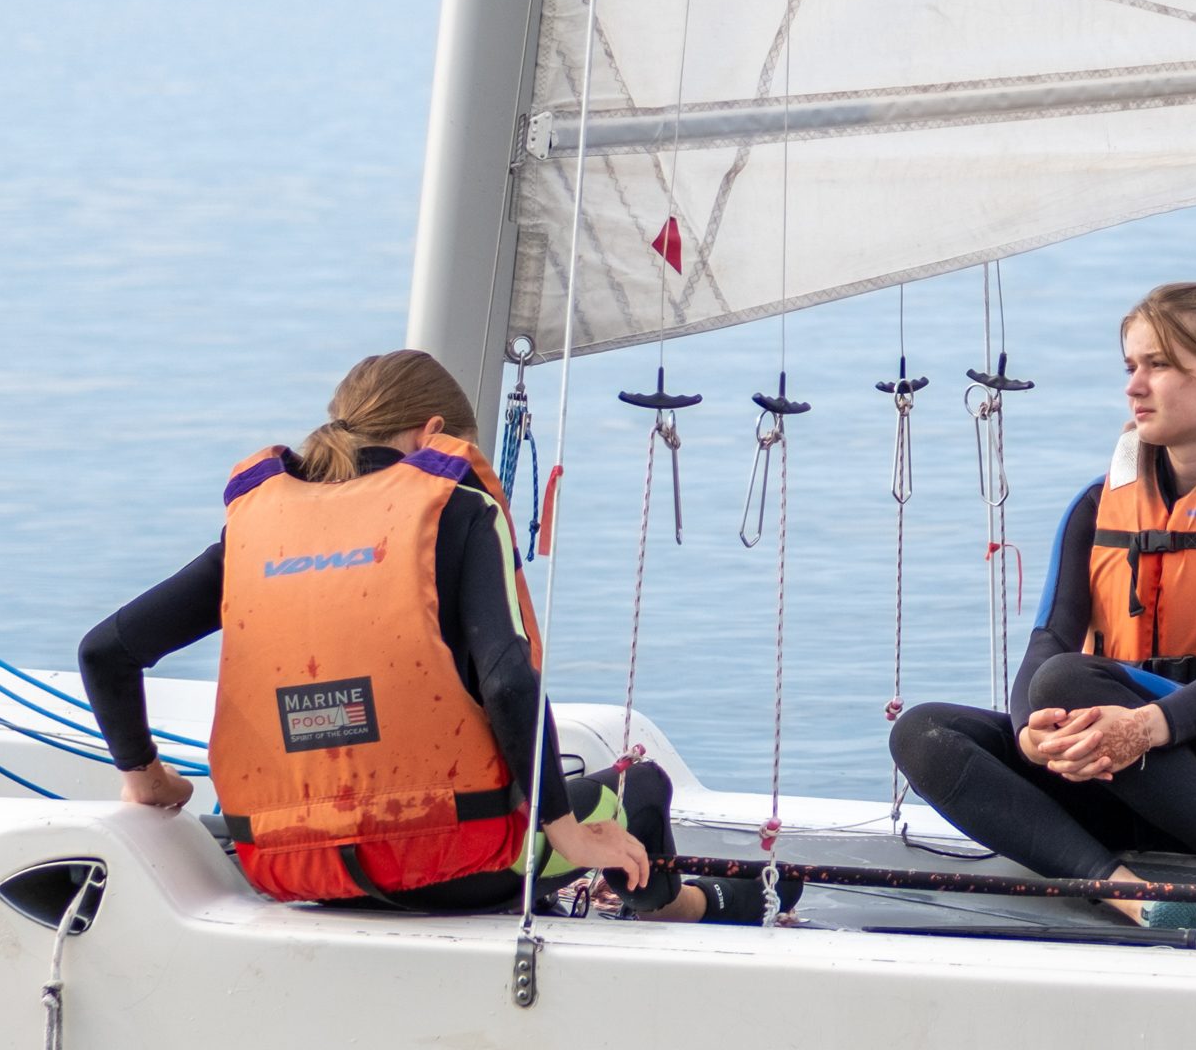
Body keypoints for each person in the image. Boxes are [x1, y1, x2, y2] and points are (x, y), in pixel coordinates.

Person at [83, 348, 744, 921]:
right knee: (643, 788)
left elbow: (106, 652)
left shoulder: (255, 530)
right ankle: (678, 905)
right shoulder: (456, 509)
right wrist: (565, 831)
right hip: (459, 869)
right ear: (433, 433)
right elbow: (509, 681)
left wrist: (145, 778)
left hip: (288, 869)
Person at [890, 283, 1196, 925]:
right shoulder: (1097, 504)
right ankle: (1132, 896)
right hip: (1110, 768)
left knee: (1067, 680)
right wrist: (1028, 734)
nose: (1135, 386)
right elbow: (1048, 638)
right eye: (1131, 367)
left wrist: (1145, 727)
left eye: (1159, 366)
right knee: (923, 732)